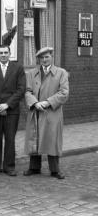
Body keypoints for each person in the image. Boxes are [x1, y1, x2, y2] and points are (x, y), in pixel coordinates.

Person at [23, 47, 69, 180]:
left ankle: (55, 170)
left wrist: (47, 102)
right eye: (42, 58)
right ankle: (34, 167)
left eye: (47, 57)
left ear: (52, 57)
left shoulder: (61, 73)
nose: (44, 60)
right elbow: (27, 91)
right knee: (34, 137)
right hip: (36, 110)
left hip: (51, 112)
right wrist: (35, 103)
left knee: (52, 139)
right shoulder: (32, 73)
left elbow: (64, 93)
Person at [0, 45, 26, 176]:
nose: (3, 55)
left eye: (5, 52)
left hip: (11, 110)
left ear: (10, 53)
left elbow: (21, 89)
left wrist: (7, 105)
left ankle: (9, 167)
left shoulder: (18, 68)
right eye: (1, 53)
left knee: (10, 139)